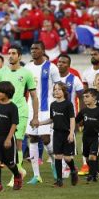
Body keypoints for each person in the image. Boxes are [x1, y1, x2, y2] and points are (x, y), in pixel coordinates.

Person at [0, 44, 39, 187]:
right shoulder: (1, 72)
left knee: (18, 141)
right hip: (2, 111)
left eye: (14, 53)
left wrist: (35, 116)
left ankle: (15, 176)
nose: (10, 55)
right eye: (9, 53)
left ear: (20, 56)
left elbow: (34, 96)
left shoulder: (27, 73)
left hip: (20, 111)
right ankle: (18, 171)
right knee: (2, 142)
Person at [24, 41, 60, 185]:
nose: (33, 51)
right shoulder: (27, 67)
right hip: (31, 107)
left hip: (46, 107)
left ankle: (56, 166)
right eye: (32, 48)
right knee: (32, 138)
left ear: (43, 50)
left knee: (45, 138)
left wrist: (59, 106)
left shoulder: (51, 67)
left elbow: (58, 87)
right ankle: (36, 175)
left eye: (36, 48)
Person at [38, 82, 79, 187]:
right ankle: (59, 181)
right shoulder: (53, 105)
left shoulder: (68, 104)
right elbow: (52, 119)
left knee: (67, 158)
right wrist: (40, 123)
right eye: (55, 89)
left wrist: (71, 133)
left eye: (59, 89)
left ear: (64, 92)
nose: (56, 91)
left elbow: (72, 119)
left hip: (67, 134)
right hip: (56, 134)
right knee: (57, 157)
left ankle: (73, 170)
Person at [75, 89, 99, 183]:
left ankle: (92, 175)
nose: (85, 99)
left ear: (94, 98)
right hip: (85, 137)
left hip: (96, 137)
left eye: (87, 96)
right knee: (87, 157)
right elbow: (75, 121)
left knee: (93, 156)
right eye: (84, 97)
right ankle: (94, 172)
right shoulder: (83, 111)